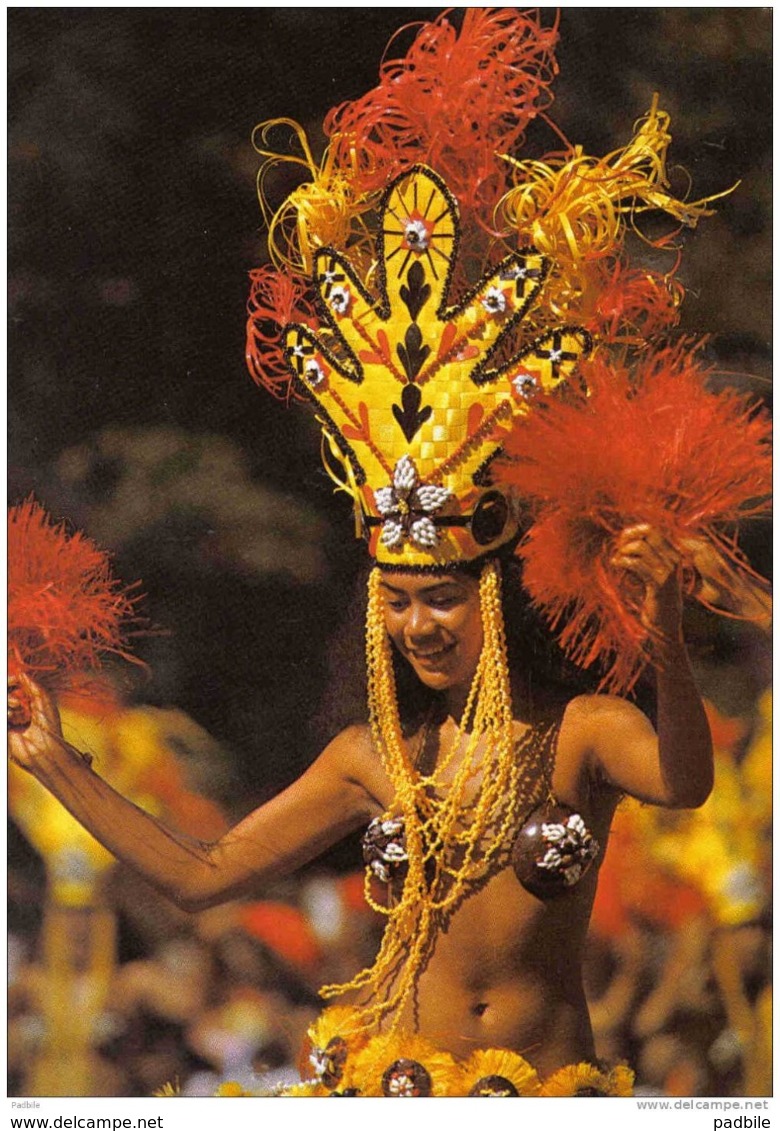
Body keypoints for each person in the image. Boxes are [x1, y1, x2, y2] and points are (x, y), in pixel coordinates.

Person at [8, 8, 767, 1098]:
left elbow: (687, 786)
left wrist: (666, 638)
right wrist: (54, 763)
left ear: (492, 598)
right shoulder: (374, 759)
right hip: (386, 1088)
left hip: (551, 1093)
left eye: (442, 600)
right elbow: (200, 877)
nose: (418, 624)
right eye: (399, 603)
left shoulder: (588, 734)